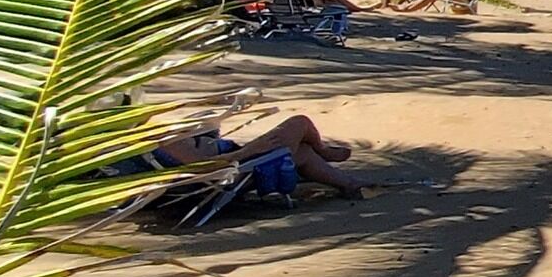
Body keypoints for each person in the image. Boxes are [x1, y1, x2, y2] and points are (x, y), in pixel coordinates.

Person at [142, 113, 376, 199]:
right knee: (300, 123)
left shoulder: (139, 141)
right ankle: (324, 151)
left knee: (303, 152)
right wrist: (250, 150)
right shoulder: (157, 137)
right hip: (236, 169)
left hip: (234, 166)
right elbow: (201, 167)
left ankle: (349, 184)